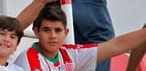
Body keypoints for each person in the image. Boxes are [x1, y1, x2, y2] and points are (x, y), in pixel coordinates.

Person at [14, 5, 146, 71]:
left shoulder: (69, 53)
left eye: (58, 30)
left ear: (66, 33)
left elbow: (115, 45)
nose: (53, 36)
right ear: (36, 32)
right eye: (47, 30)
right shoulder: (28, 59)